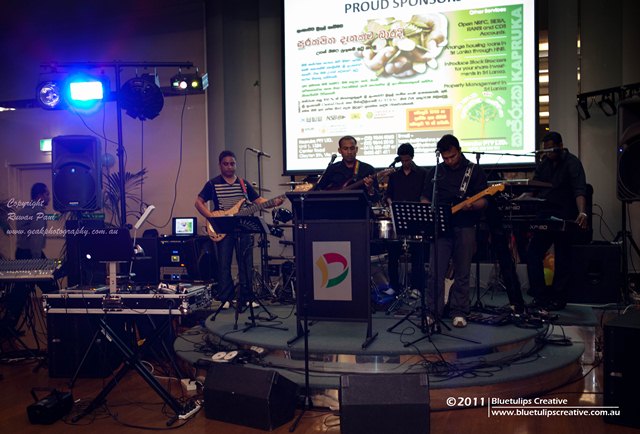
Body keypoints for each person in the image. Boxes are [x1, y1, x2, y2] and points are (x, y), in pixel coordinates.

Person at [195, 150, 282, 309]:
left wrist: (273, 202)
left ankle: (246, 297)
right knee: (224, 263)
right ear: (220, 165)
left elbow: (258, 200)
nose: (229, 167)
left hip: (243, 228)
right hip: (223, 228)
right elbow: (198, 202)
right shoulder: (212, 184)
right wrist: (211, 217)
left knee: (246, 263)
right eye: (226, 164)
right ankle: (225, 298)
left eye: (232, 164)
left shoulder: (244, 184)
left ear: (236, 164)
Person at [421, 134, 488, 328]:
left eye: (452, 156)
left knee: (462, 271)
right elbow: (425, 197)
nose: (449, 161)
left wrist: (472, 205)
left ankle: (459, 311)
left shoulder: (473, 171)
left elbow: (485, 200)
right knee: (435, 271)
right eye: (445, 158)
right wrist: (427, 210)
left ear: (459, 150)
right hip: (440, 228)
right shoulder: (435, 172)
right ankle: (433, 311)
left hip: (465, 225)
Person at [526, 131, 588, 311]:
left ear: (560, 146)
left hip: (565, 215)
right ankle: (540, 296)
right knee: (533, 253)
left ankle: (559, 298)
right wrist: (519, 198)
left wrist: (582, 212)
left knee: (562, 256)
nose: (548, 153)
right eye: (545, 150)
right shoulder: (544, 164)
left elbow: (579, 190)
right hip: (545, 214)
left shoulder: (572, 163)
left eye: (551, 149)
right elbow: (533, 188)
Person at [1, 183, 57, 333]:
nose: (49, 197)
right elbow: (36, 239)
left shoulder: (24, 210)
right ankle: (58, 327)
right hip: (32, 254)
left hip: (21, 252)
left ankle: (7, 325)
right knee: (52, 289)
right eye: (47, 194)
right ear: (40, 195)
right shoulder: (38, 212)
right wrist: (37, 261)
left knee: (20, 292)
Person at [383, 143, 427, 296]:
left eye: (407, 160)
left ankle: (416, 287)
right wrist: (391, 204)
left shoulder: (423, 174)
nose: (405, 163)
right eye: (402, 160)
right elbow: (388, 195)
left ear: (412, 157)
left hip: (416, 218)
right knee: (393, 252)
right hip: (397, 218)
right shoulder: (394, 176)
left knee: (417, 254)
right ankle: (394, 285)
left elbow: (426, 195)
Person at [315, 135, 380, 201]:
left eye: (352, 148)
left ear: (356, 149)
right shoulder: (332, 169)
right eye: (345, 149)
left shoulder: (368, 169)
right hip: (336, 206)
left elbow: (377, 198)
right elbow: (318, 191)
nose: (349, 152)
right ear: (340, 151)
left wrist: (370, 189)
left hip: (360, 206)